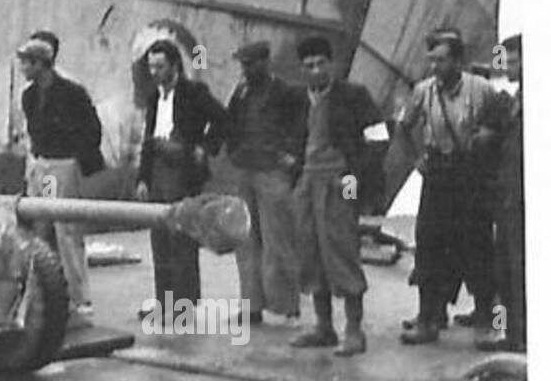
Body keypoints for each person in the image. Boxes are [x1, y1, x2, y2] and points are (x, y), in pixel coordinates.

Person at [396, 29, 505, 345]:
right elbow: (403, 127)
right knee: (429, 244)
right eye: (431, 60)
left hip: (470, 178)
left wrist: (486, 138)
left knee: (477, 247)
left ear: (459, 60)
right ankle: (429, 318)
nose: (434, 67)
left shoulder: (481, 89)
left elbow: (502, 126)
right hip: (438, 177)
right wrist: (416, 158)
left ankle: (486, 317)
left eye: (441, 60)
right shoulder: (424, 91)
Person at [288, 36, 380, 355]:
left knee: (341, 251)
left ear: (332, 64)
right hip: (307, 182)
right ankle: (323, 326)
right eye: (308, 66)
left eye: (320, 64)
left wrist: (355, 180)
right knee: (310, 253)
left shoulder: (354, 96)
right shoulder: (300, 100)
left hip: (340, 181)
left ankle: (354, 330)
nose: (315, 70)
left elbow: (378, 139)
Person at [17, 33, 104, 322]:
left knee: (66, 232)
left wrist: (76, 156)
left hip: (62, 164)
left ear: (41, 64)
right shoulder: (29, 96)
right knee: (39, 231)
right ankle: (45, 294)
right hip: (41, 164)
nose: (22, 68)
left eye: (27, 62)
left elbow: (92, 129)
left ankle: (80, 300)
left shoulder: (72, 93)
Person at [135, 38, 226, 315]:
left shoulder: (193, 92)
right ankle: (164, 303)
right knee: (159, 235)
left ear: (174, 65)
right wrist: (143, 178)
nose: (155, 73)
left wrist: (204, 148)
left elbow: (223, 118)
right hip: (158, 168)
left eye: (160, 66)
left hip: (183, 168)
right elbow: (147, 140)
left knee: (182, 236)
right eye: (151, 67)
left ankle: (184, 304)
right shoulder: (153, 97)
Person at [221, 40, 304, 326]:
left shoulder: (285, 92)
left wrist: (290, 157)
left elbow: (301, 127)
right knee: (246, 240)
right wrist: (233, 152)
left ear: (264, 62)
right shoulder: (241, 92)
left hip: (272, 172)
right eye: (243, 64)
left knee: (279, 239)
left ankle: (287, 305)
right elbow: (230, 124)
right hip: (246, 169)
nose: (245, 69)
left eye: (250, 64)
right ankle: (251, 305)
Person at [482, 33, 524, 352]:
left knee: (519, 268)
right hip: (508, 199)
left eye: (513, 59)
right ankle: (511, 333)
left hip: (521, 203)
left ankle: (519, 336)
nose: (507, 65)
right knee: (506, 268)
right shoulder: (516, 101)